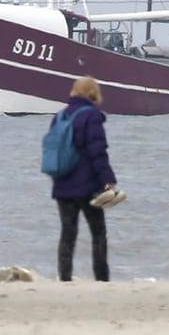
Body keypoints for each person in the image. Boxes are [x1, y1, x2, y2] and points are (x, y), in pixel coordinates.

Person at [49, 76, 118, 282]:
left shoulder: (59, 116)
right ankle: (102, 278)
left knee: (67, 234)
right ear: (93, 93)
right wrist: (108, 179)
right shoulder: (91, 116)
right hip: (88, 186)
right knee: (98, 233)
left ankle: (64, 277)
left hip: (62, 186)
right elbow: (97, 151)